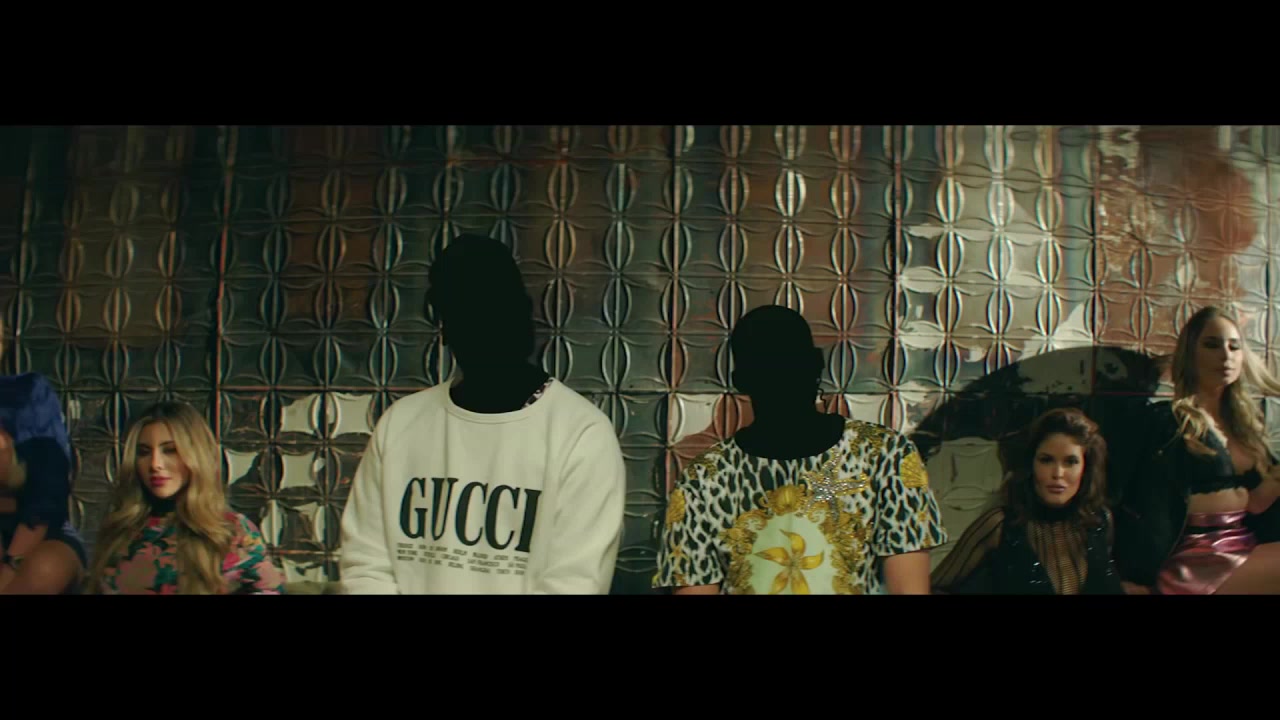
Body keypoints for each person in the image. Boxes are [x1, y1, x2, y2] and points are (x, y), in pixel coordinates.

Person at [339, 234, 627, 594]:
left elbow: (573, 584)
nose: (487, 324)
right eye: (467, 311)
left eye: (497, 306)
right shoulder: (400, 424)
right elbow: (365, 566)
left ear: (524, 313)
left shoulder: (581, 434)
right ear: (445, 327)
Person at [653, 305, 947, 595]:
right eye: (769, 368)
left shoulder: (705, 477)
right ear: (817, 365)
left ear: (739, 381)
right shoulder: (882, 453)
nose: (780, 378)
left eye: (787, 365)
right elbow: (909, 588)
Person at [1112, 306, 1280, 594]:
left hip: (1244, 545)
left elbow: (1256, 504)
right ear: (1190, 354)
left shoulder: (1245, 424)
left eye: (1234, 346)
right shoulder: (1170, 421)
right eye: (1212, 345)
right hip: (1198, 556)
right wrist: (1136, 577)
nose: (1226, 355)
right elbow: (1147, 500)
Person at [87, 401, 286, 594]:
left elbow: (269, 589)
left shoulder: (230, 531)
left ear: (196, 455)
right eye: (144, 452)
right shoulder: (119, 528)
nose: (155, 464)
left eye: (170, 450)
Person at [930, 408, 1123, 594]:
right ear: (1030, 465)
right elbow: (930, 587)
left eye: (1070, 462)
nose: (1058, 473)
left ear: (1085, 468)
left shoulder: (1099, 521)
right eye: (1046, 460)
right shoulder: (999, 525)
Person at [0, 319, 87, 594]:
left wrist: (12, 563)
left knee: (46, 569)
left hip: (37, 531)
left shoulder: (26, 394)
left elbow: (48, 490)